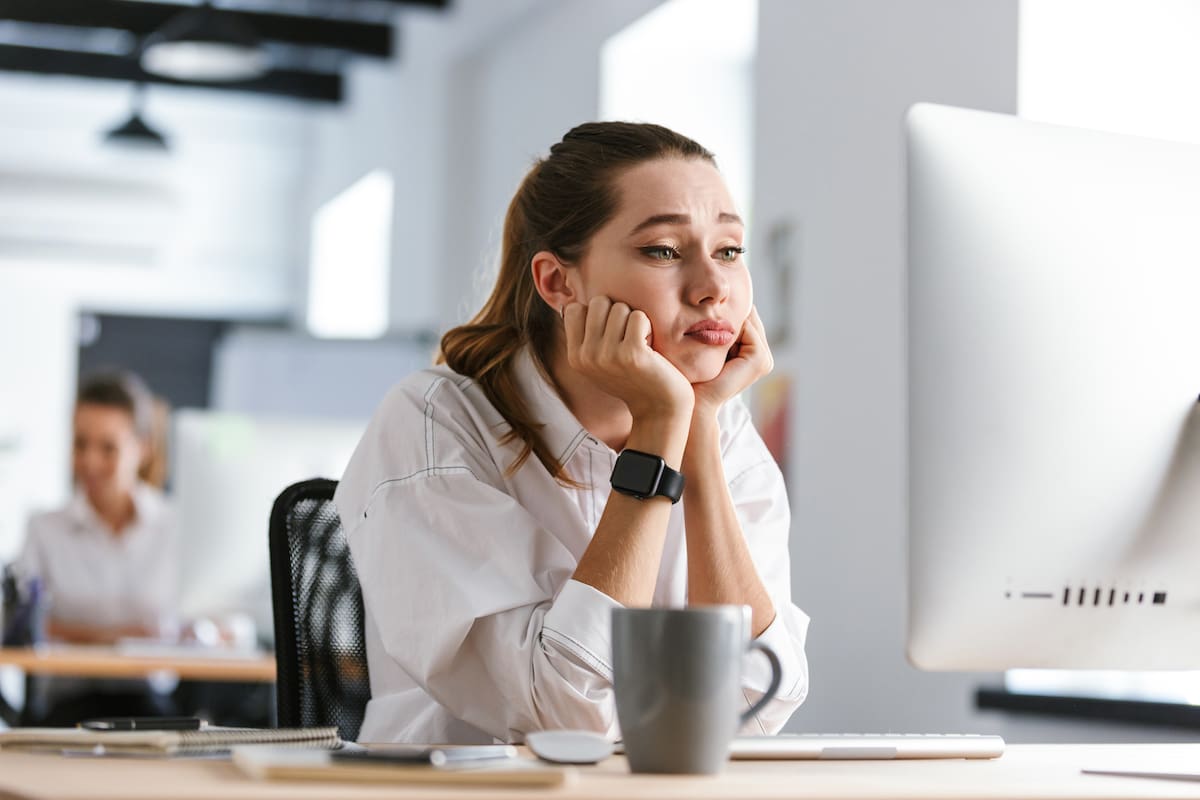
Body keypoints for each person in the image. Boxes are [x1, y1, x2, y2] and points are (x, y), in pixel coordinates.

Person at [335, 122, 809, 744]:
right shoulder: (434, 426)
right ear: (559, 283)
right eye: (665, 250)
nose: (714, 288)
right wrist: (659, 434)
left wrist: (694, 428)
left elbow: (757, 700)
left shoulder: (720, 429)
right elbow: (563, 714)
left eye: (728, 250)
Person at [13, 370, 178, 724]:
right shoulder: (45, 528)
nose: (89, 462)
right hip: (66, 705)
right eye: (80, 444)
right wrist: (124, 637)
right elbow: (20, 624)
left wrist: (78, 634)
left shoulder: (174, 527)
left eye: (108, 448)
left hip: (152, 705)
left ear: (143, 448)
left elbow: (199, 623)